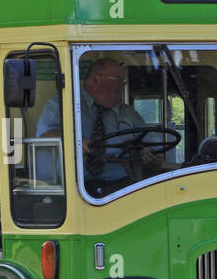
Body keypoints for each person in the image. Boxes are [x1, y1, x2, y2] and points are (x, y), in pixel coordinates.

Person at [36, 57, 162, 188]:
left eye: (122, 81)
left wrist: (148, 154)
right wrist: (75, 141)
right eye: (116, 80)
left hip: (121, 190)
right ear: (96, 79)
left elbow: (154, 150)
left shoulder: (129, 114)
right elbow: (45, 134)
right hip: (72, 188)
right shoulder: (63, 103)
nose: (121, 85)